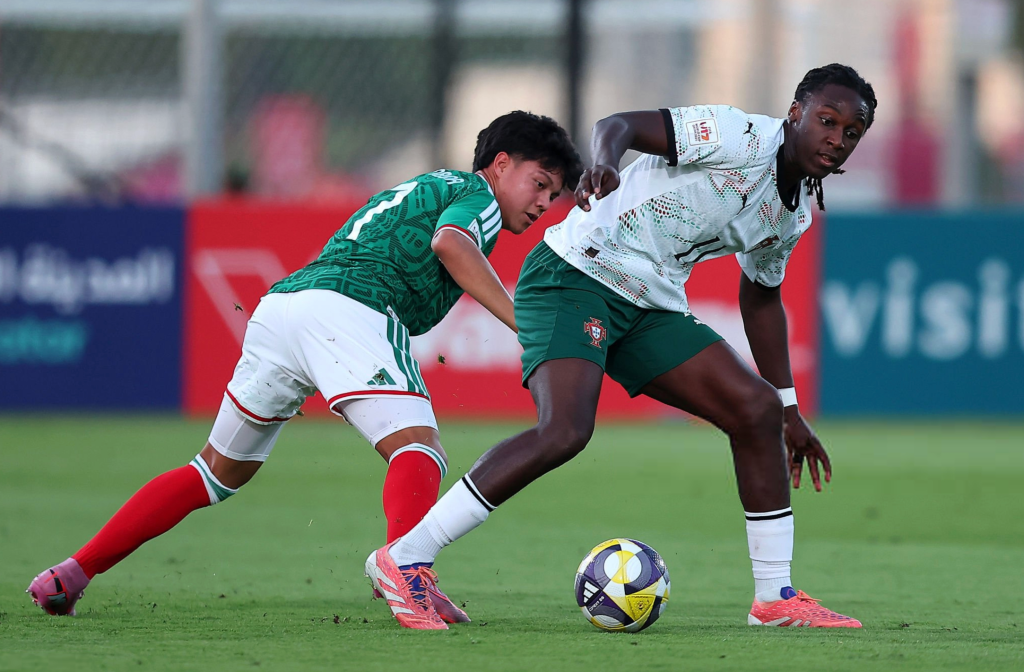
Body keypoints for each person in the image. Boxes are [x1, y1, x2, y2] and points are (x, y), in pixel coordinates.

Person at [367, 64, 877, 629]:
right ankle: (407, 557)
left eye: (851, 132)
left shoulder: (794, 211)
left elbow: (760, 300)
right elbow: (621, 125)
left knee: (755, 411)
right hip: (576, 272)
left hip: (652, 305)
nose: (836, 138)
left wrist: (788, 407)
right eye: (826, 121)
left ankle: (774, 599)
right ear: (796, 114)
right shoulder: (739, 136)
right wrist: (605, 162)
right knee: (564, 430)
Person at [27, 111, 583, 629]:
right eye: (540, 183)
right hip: (348, 307)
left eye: (554, 195)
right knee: (419, 450)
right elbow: (450, 244)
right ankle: (406, 572)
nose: (544, 204)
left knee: (214, 473)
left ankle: (72, 573)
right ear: (501, 162)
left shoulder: (431, 184)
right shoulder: (477, 194)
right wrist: (524, 326)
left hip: (282, 309)